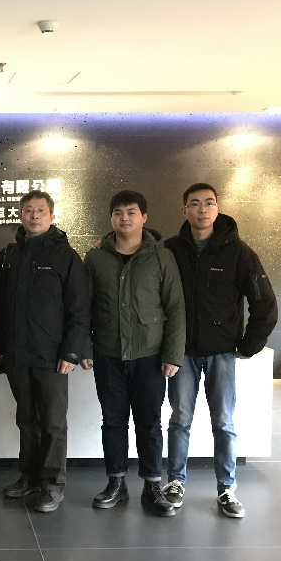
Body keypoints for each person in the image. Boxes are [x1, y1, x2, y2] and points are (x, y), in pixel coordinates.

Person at [162, 183, 278, 518]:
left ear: (217, 208)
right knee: (180, 420)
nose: (202, 209)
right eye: (194, 203)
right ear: (184, 210)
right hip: (181, 352)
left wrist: (248, 345)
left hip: (221, 352)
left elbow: (265, 303)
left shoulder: (239, 252)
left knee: (223, 422)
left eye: (209, 203)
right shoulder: (170, 250)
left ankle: (226, 488)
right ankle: (175, 482)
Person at [81, 190, 185, 517]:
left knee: (149, 422)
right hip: (108, 353)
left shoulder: (161, 257)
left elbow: (176, 308)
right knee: (113, 421)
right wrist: (85, 347)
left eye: (131, 212)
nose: (124, 218)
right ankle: (116, 482)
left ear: (144, 217)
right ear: (110, 218)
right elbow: (82, 308)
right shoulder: (95, 258)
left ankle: (153, 484)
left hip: (149, 356)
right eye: (118, 213)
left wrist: (172, 354)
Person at [0, 190, 88, 513]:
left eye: (40, 210)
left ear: (52, 216)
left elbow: (79, 308)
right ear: (20, 216)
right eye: (28, 210)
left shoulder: (65, 256)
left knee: (53, 423)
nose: (34, 215)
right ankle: (29, 477)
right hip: (17, 354)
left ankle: (53, 484)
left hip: (52, 357)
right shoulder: (7, 255)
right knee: (27, 419)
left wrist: (71, 353)